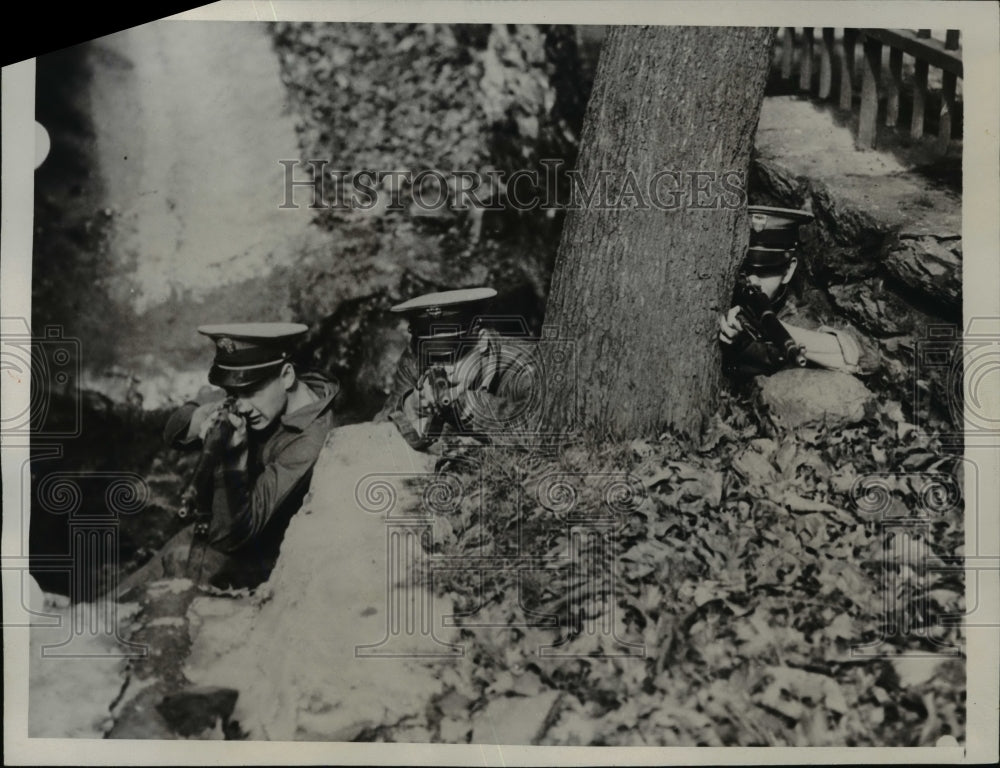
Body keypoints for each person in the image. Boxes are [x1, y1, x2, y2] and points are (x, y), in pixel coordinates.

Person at [118, 323, 338, 595]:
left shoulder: (311, 441)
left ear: (287, 375)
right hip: (217, 533)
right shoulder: (273, 399)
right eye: (233, 393)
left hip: (269, 564)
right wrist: (209, 417)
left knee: (149, 594)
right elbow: (173, 431)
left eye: (251, 390)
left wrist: (234, 460)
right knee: (108, 607)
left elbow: (231, 538)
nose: (241, 405)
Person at [376, 287, 539, 452]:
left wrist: (468, 406)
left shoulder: (526, 365)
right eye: (431, 357)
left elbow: (539, 429)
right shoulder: (415, 358)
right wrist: (411, 406)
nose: (442, 368)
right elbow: (378, 427)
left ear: (481, 341)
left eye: (451, 356)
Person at [719, 206, 864, 378]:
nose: (754, 280)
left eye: (766, 271)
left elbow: (854, 358)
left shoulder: (794, 312)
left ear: (788, 271)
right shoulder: (719, 297)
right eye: (745, 270)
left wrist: (764, 328)